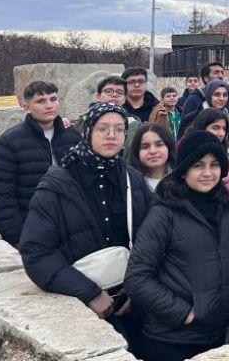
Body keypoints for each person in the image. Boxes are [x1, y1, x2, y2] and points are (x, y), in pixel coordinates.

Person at [19, 103, 152, 350]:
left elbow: (151, 240)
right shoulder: (57, 185)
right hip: (78, 305)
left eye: (119, 129)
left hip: (132, 301)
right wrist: (90, 294)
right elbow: (37, 251)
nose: (111, 135)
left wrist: (137, 287)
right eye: (103, 128)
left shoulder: (132, 179)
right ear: (87, 132)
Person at [125, 131, 229, 361]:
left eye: (214, 165)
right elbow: (137, 278)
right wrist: (184, 314)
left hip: (215, 332)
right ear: (184, 169)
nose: (207, 173)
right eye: (198, 165)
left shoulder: (225, 205)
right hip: (171, 339)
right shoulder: (165, 212)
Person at [0, 81, 81, 245]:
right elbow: (1, 196)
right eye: (41, 101)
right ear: (26, 107)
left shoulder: (72, 136)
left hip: (69, 230)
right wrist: (19, 238)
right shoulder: (10, 142)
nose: (49, 106)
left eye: (53, 99)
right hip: (29, 229)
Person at [73, 76, 141, 160]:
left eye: (119, 92)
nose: (114, 95)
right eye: (108, 91)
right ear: (98, 96)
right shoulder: (84, 121)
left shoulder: (133, 125)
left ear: (124, 99)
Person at [128, 124, 176, 192]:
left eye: (159, 145)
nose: (152, 151)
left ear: (169, 147)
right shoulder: (128, 184)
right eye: (145, 147)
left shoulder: (182, 180)